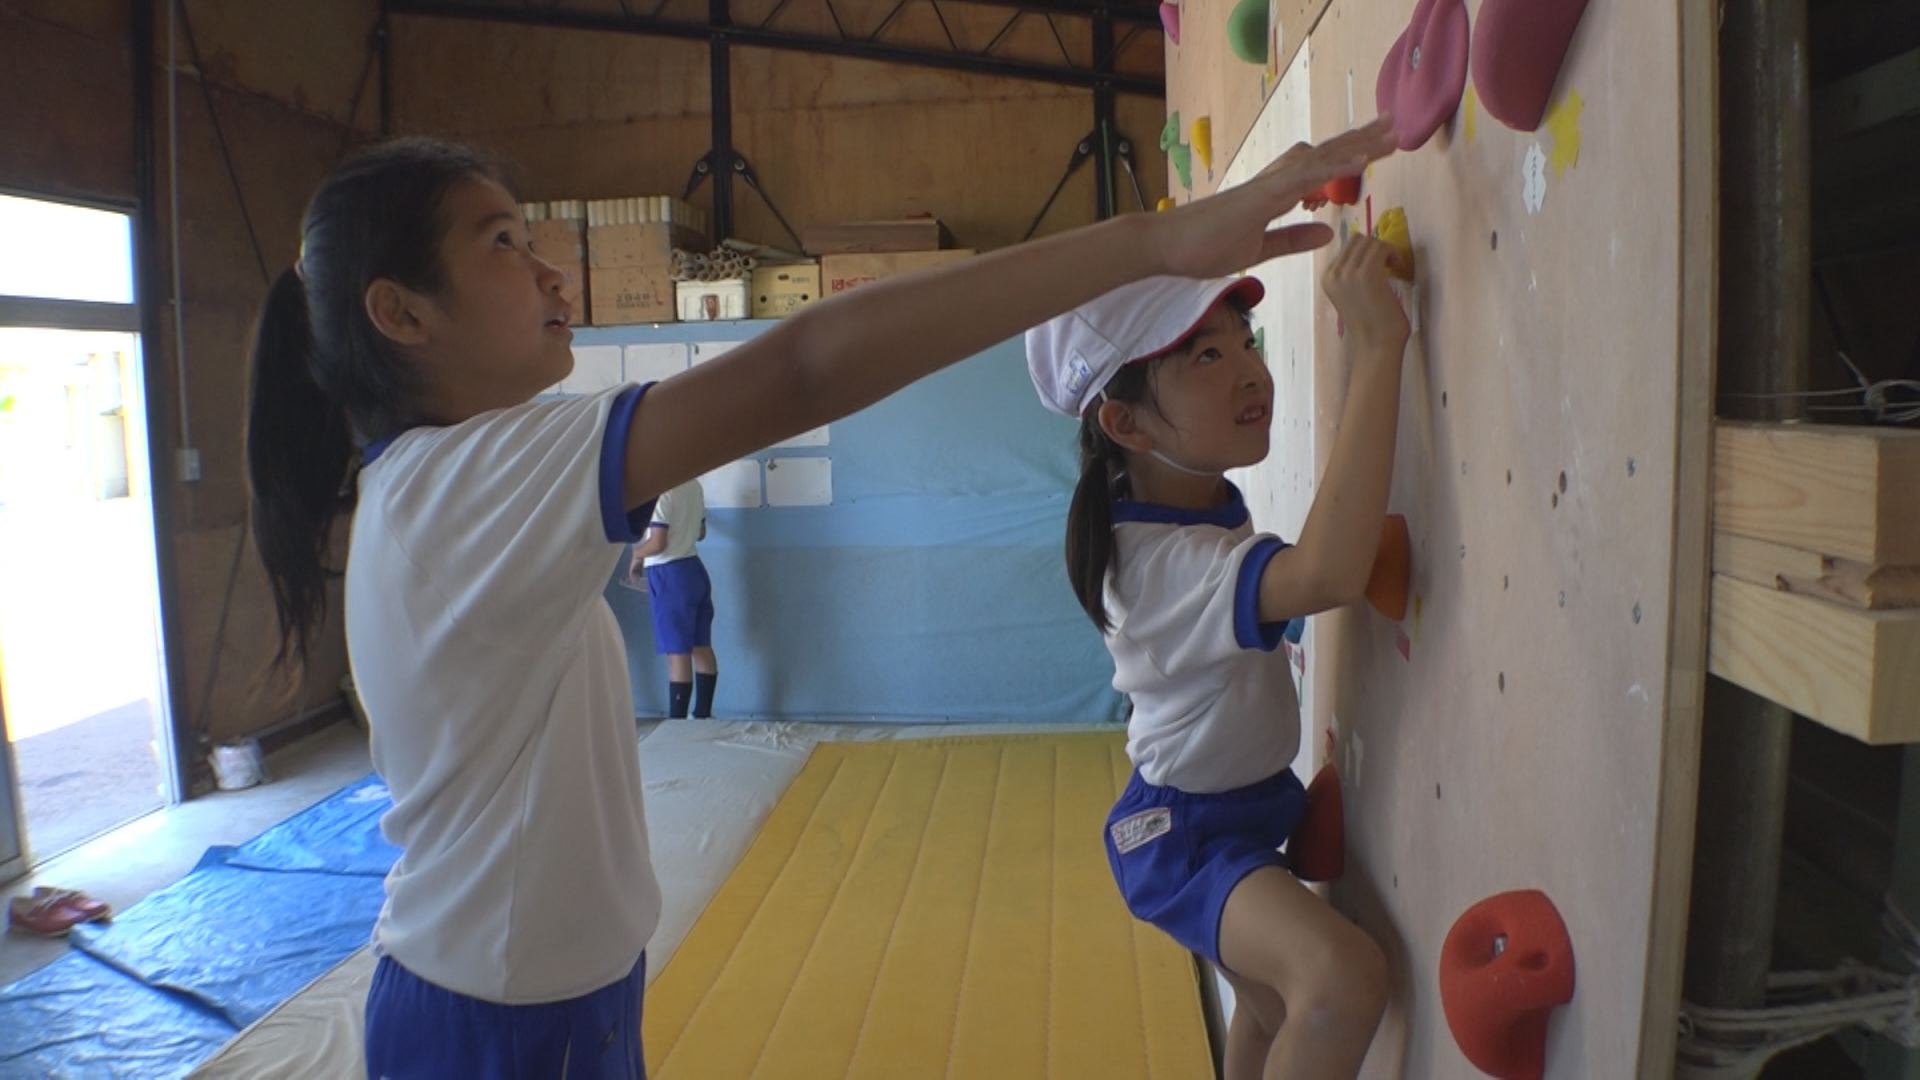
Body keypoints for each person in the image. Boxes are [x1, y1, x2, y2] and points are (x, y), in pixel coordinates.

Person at [243, 121, 1395, 1078]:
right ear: (402, 315)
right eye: (503, 243)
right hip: (482, 1026)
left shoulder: (456, 484)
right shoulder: (465, 482)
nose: (549, 271)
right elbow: (802, 370)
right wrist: (1153, 239)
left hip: (556, 1003)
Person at [1025, 222, 1413, 1078]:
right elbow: (1325, 575)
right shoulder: (1162, 565)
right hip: (1187, 837)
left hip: (1234, 809)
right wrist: (1378, 348)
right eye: (1204, 357)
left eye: (1245, 340)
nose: (1250, 370)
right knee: (1343, 982)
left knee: (1276, 1008)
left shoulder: (1189, 500)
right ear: (1125, 422)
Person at [627, 479, 718, 719]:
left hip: (670, 575)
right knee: (701, 646)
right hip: (695, 569)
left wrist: (636, 554)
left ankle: (677, 721)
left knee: (677, 652)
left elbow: (658, 543)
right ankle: (703, 714)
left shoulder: (660, 493)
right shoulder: (695, 485)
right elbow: (701, 533)